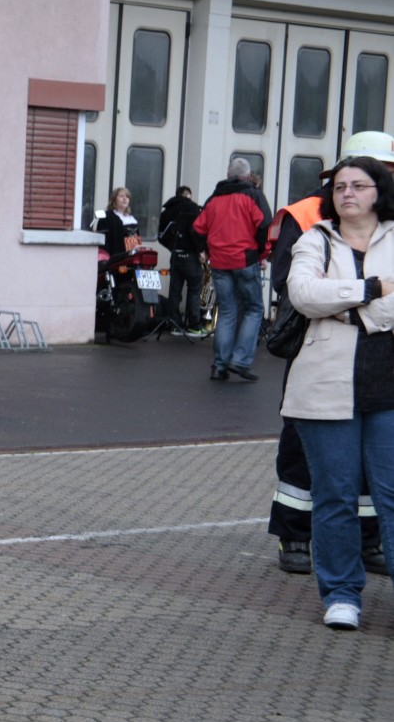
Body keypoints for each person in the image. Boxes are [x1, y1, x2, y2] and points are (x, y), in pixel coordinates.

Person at [265, 133, 394, 576]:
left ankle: (368, 539)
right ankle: (294, 535)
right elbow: (294, 288)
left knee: (372, 467)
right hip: (317, 350)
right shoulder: (307, 214)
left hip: (379, 360)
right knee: (303, 451)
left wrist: (344, 304)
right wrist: (367, 293)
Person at [194, 157, 271, 381]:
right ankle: (240, 360)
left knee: (227, 312)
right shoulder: (253, 195)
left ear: (228, 175)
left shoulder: (214, 199)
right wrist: (261, 253)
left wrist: (206, 251)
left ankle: (219, 366)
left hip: (220, 262)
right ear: (247, 176)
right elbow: (265, 225)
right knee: (253, 309)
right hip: (245, 259)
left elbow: (197, 229)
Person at [158, 186, 207, 335]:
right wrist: (201, 250)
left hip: (175, 256)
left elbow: (161, 236)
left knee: (175, 291)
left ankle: (175, 324)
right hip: (191, 256)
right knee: (194, 290)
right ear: (188, 196)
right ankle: (194, 325)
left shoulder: (166, 212)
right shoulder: (192, 208)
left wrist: (173, 247)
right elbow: (196, 232)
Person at [95, 187, 143, 261]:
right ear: (114, 199)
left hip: (132, 257)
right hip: (116, 257)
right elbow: (103, 240)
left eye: (127, 197)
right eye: (121, 196)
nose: (125, 199)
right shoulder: (107, 217)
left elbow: (136, 239)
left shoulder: (131, 219)